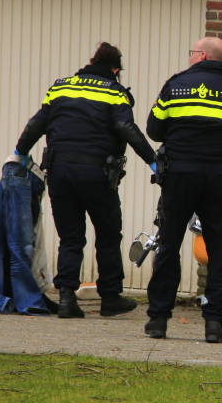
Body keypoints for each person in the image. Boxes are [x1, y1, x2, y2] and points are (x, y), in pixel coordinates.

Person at [14, 42, 156, 319]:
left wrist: (20, 152)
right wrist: (152, 160)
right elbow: (127, 128)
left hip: (59, 172)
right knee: (107, 233)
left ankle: (67, 297)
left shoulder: (61, 87)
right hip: (96, 174)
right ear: (115, 69)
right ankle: (111, 297)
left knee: (70, 237)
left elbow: (37, 123)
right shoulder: (115, 93)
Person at [144, 37, 222, 343]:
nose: (191, 57)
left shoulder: (177, 86)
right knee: (220, 248)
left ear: (202, 55)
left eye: (192, 53)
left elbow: (154, 129)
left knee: (168, 243)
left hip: (180, 174)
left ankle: (158, 320)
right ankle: (214, 324)